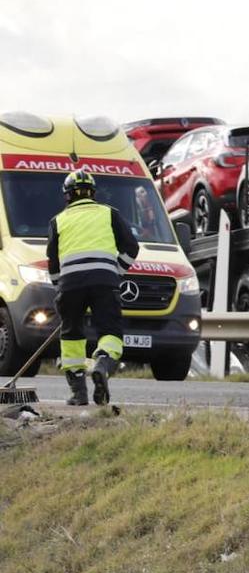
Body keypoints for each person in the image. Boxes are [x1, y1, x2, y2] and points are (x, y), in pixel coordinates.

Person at [46, 170, 140, 406]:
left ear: (67, 196)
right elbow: (131, 247)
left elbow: (53, 263)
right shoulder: (110, 213)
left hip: (70, 285)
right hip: (104, 282)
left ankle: (79, 394)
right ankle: (102, 363)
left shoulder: (57, 220)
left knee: (71, 335)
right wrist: (115, 271)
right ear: (93, 193)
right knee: (110, 331)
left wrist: (60, 288)